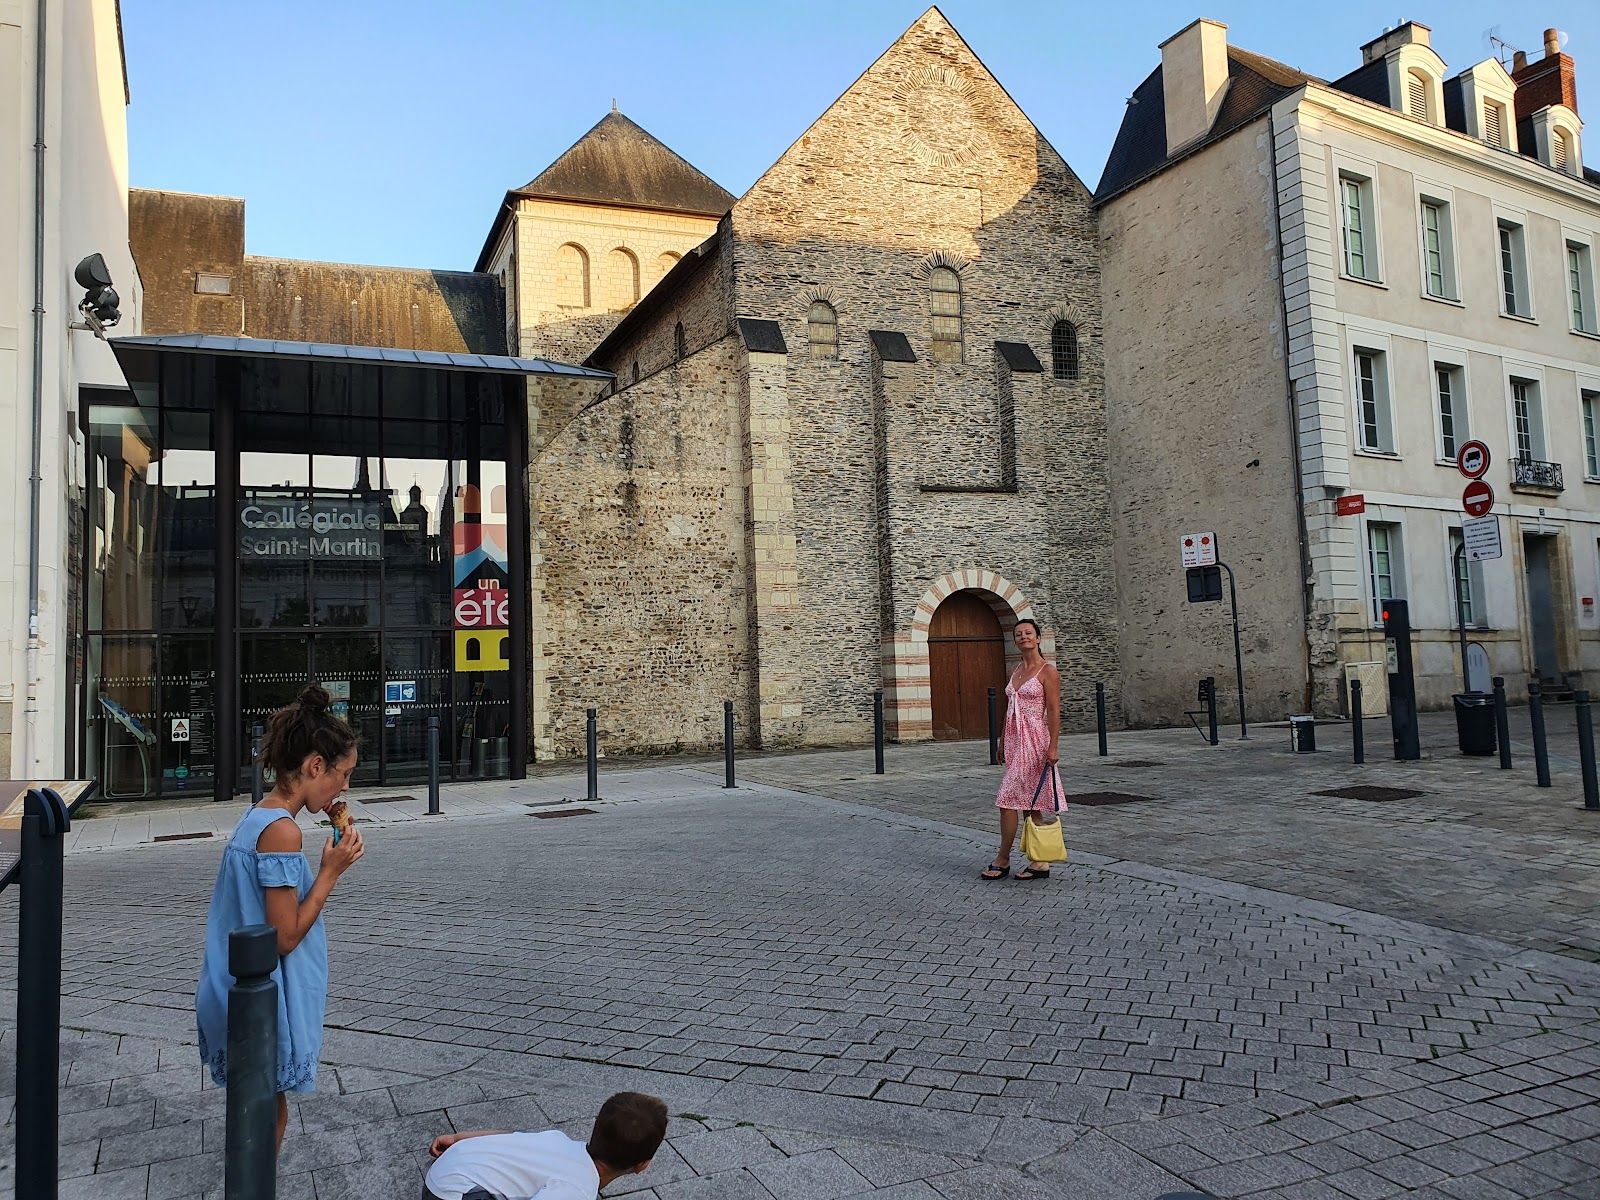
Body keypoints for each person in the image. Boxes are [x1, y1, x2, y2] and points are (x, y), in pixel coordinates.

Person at [195, 684, 364, 1150]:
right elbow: (284, 937)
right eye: (344, 774)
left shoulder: (259, 816)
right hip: (259, 999)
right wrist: (330, 872)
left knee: (261, 1109)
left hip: (232, 987)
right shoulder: (283, 833)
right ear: (315, 766)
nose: (345, 788)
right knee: (267, 1119)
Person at [424, 1091, 669, 1200]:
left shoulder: (557, 1140)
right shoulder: (577, 1189)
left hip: (450, 1167)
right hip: (453, 1194)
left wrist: (459, 1138)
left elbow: (510, 1135)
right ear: (643, 1165)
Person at [983, 618, 1063, 881]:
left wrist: (1053, 746)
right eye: (1018, 634)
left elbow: (1054, 712)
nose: (1023, 637)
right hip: (1014, 741)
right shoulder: (1016, 669)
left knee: (1006, 800)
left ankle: (1002, 858)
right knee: (1030, 803)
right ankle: (1039, 862)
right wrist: (1002, 741)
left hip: (1035, 742)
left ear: (1038, 638)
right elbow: (1010, 709)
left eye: (1029, 633)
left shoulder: (1048, 672)